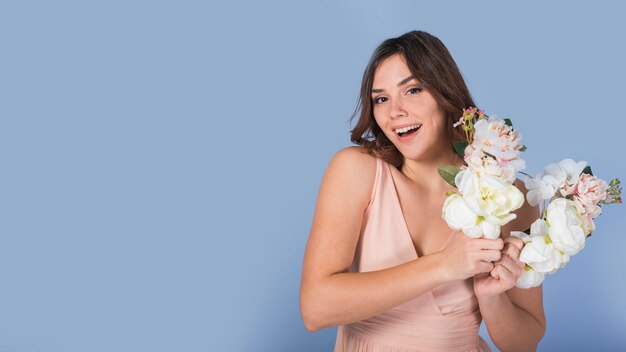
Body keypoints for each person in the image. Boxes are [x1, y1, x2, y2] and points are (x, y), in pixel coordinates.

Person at [299, 30, 546, 351]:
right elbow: (315, 309)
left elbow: (524, 344)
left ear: (445, 94)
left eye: (412, 90)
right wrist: (443, 265)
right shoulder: (356, 170)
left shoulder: (513, 195)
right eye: (381, 98)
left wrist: (492, 299)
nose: (394, 111)